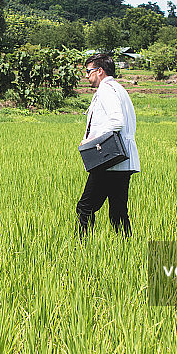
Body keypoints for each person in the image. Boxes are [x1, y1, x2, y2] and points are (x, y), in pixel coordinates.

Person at [76, 53, 140, 236]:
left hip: (107, 159)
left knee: (85, 207)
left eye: (89, 71)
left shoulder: (106, 90)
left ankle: (81, 247)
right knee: (118, 211)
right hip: (122, 160)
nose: (87, 76)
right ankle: (126, 248)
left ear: (100, 71)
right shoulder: (118, 89)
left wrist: (91, 140)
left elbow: (116, 121)